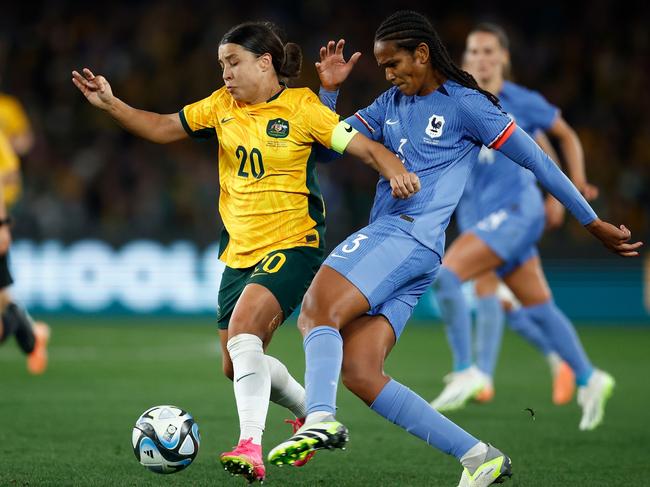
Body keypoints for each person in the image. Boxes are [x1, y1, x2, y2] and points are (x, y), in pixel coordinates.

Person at [268, 11, 641, 487]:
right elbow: (322, 149)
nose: (388, 74)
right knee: (362, 372)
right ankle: (478, 456)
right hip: (415, 253)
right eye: (382, 67)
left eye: (394, 63)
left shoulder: (467, 106)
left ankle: (320, 417)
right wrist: (330, 94)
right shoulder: (390, 104)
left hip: (407, 234)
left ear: (422, 54)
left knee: (318, 309)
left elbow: (539, 161)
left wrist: (591, 222)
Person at [72, 21, 419, 484]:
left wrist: (394, 167)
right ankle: (308, 417)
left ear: (265, 62)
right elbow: (160, 127)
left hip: (293, 245)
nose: (225, 75)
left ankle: (250, 445)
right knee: (235, 363)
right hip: (238, 254)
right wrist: (111, 104)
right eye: (221, 65)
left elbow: (360, 146)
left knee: (243, 330)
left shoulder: (302, 107)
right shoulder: (221, 107)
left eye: (232, 63)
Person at [428, 23, 616, 431]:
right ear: (463, 60)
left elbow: (560, 137)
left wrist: (571, 188)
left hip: (515, 209)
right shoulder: (456, 101)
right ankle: (588, 376)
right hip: (482, 217)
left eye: (489, 51)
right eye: (474, 52)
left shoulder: (519, 101)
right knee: (537, 307)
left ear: (504, 58)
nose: (481, 58)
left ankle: (469, 370)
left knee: (448, 274)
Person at [0, 82, 49, 374]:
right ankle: (26, 328)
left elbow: (13, 162)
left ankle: (23, 326)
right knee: (3, 294)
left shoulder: (8, 106)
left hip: (5, 205)